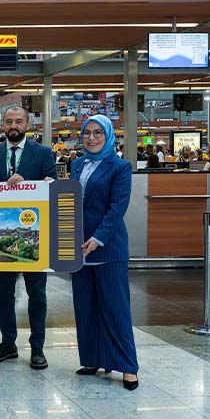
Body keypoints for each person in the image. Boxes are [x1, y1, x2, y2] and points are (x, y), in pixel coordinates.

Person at [0, 106, 57, 370]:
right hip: (3, 229)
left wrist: (32, 183)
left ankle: (37, 348)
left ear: (28, 124)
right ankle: (7, 343)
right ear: (3, 125)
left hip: (34, 234)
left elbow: (53, 186)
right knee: (3, 295)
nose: (13, 125)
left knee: (37, 295)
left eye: (19, 121)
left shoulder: (43, 153)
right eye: (9, 121)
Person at [71, 115, 139, 390]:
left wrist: (98, 238)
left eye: (98, 132)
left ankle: (128, 366)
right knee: (85, 307)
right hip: (78, 248)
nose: (91, 138)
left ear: (109, 135)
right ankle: (93, 359)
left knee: (115, 308)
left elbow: (117, 207)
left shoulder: (120, 167)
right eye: (87, 133)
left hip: (107, 247)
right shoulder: (77, 164)